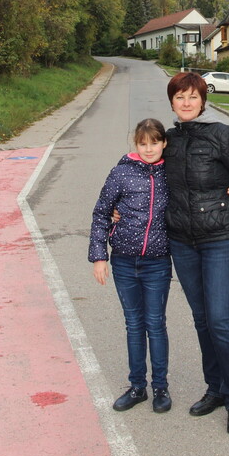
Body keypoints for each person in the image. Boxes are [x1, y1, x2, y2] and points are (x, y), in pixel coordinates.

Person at [163, 72, 229, 435]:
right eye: (180, 97)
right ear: (172, 102)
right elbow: (150, 184)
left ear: (203, 100)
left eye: (193, 97)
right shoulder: (168, 141)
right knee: (202, 318)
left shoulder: (223, 135)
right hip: (182, 243)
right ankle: (215, 389)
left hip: (221, 240)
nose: (186, 103)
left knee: (221, 319)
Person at [88, 118, 173, 414]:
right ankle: (137, 386)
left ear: (164, 143)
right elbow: (101, 213)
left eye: (155, 142)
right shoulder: (121, 173)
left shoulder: (171, 173)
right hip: (124, 262)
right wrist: (100, 256)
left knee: (155, 324)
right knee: (134, 325)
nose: (149, 149)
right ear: (135, 144)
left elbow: (200, 189)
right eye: (143, 143)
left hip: (158, 263)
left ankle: (160, 386)